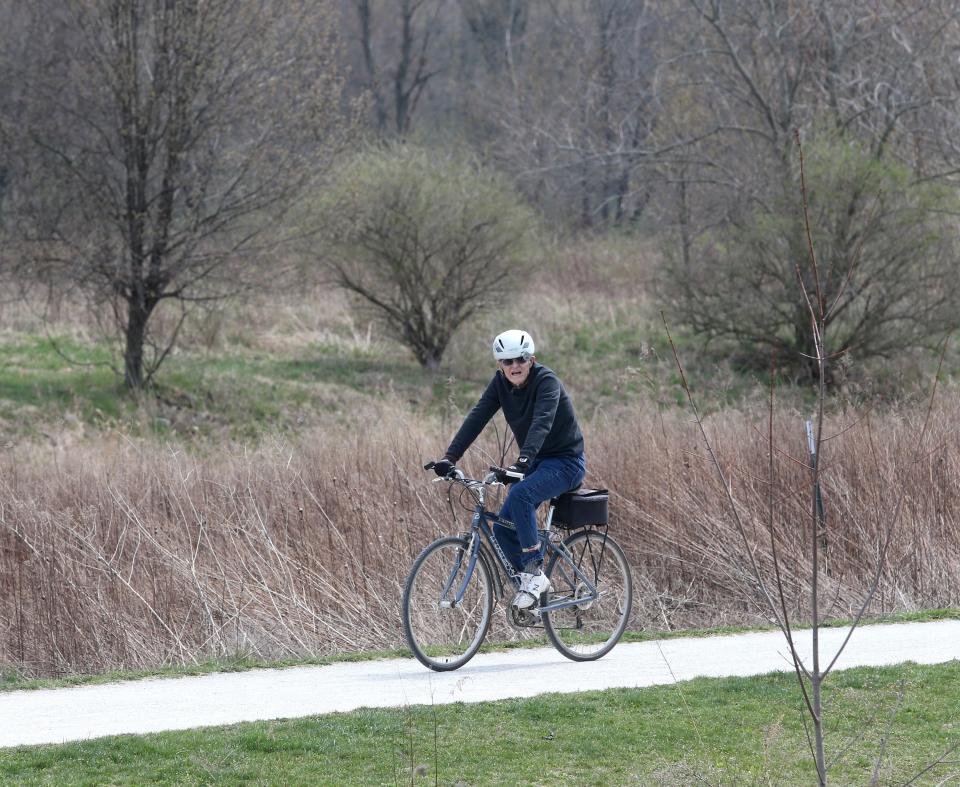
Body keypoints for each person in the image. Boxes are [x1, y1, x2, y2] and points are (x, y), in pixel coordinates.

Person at [431, 329, 586, 609]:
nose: (514, 366)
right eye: (507, 362)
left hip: (566, 462)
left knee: (521, 495)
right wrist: (449, 458)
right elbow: (477, 417)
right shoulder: (500, 384)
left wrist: (523, 461)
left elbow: (542, 422)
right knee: (503, 529)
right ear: (499, 365)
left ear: (532, 360)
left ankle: (534, 572)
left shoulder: (546, 382)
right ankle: (529, 586)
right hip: (536, 462)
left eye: (520, 359)